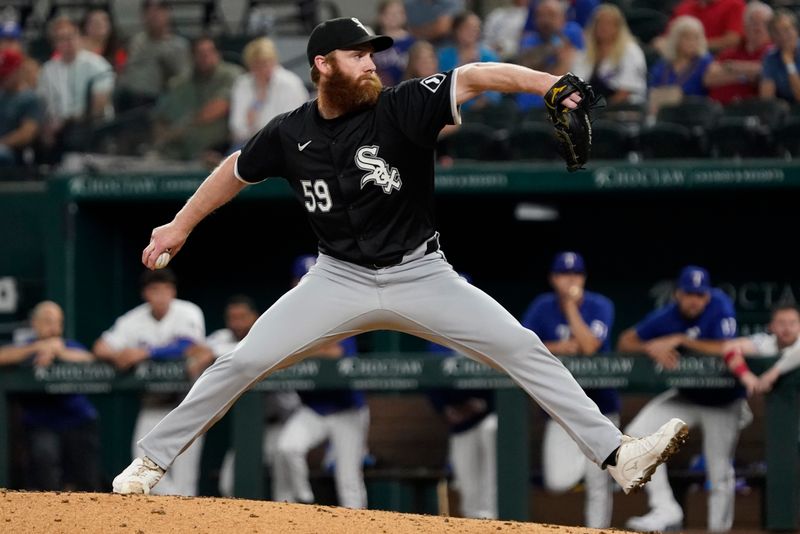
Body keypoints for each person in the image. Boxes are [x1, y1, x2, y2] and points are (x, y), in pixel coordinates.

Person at [112, 16, 688, 498]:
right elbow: (234, 171)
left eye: (373, 55)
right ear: (322, 65)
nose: (371, 64)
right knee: (238, 362)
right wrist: (178, 224)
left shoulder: (401, 105)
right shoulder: (289, 132)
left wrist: (548, 84)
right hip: (335, 278)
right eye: (357, 55)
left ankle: (618, 455)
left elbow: (477, 75)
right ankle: (150, 464)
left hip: (421, 272)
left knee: (521, 347)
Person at [618, 266, 740, 532]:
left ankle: (718, 529)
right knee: (636, 435)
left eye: (700, 294)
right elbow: (625, 341)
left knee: (719, 472)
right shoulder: (668, 315)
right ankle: (665, 508)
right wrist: (650, 348)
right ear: (677, 294)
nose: (695, 300)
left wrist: (679, 339)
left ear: (707, 295)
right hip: (687, 397)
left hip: (723, 401)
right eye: (689, 294)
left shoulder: (719, 304)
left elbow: (726, 347)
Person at [521, 252, 618, 528]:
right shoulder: (542, 306)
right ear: (553, 278)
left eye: (576, 274)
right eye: (564, 274)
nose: (570, 280)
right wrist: (560, 347)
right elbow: (521, 344)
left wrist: (572, 307)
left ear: (584, 278)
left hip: (601, 405)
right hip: (562, 410)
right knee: (556, 481)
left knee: (598, 482)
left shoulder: (600, 305)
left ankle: (597, 530)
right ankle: (588, 458)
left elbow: (589, 346)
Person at [94, 269, 206, 496]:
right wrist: (118, 356)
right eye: (155, 290)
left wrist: (145, 352)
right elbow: (101, 346)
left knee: (185, 476)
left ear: (173, 291)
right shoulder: (133, 320)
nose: (161, 295)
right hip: (152, 404)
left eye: (166, 289)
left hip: (186, 403)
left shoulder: (188, 311)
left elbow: (188, 345)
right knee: (141, 463)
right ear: (146, 293)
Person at [272, 254, 369, 509]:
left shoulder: (341, 311)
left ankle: (359, 525)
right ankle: (304, 504)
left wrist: (299, 350)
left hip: (347, 408)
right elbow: (278, 351)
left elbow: (338, 352)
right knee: (287, 448)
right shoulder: (288, 316)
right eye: (300, 281)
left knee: (348, 477)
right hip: (313, 408)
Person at [200, 295, 301, 497]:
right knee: (229, 485)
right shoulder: (223, 337)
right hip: (251, 426)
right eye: (232, 318)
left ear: (254, 317)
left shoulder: (268, 332)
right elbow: (198, 350)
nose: (236, 323)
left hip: (284, 422)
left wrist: (216, 353)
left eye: (242, 317)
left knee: (284, 490)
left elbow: (252, 354)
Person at [0, 301, 101, 491]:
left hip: (78, 420)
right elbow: (3, 355)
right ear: (35, 324)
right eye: (48, 321)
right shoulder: (26, 347)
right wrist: (37, 348)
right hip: (42, 423)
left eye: (58, 322)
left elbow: (90, 359)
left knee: (87, 478)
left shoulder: (68, 346)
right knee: (43, 464)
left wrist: (59, 352)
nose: (54, 327)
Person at [427, 273, 497, 519]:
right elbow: (431, 381)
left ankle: (492, 515)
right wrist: (446, 409)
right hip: (459, 421)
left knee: (493, 429)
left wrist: (483, 404)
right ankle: (472, 521)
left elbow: (502, 379)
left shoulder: (486, 331)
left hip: (487, 414)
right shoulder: (436, 334)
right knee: (467, 486)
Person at [152, 36, 243, 162]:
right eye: (200, 53)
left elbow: (219, 106)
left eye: (209, 52)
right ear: (192, 56)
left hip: (219, 150)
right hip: (178, 152)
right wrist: (164, 137)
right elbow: (160, 117)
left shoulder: (232, 75)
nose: (205, 57)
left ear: (218, 54)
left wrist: (186, 125)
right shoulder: (180, 83)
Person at [37, 16, 114, 159]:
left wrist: (65, 121)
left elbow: (98, 108)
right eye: (62, 38)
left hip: (89, 125)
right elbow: (43, 105)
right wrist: (46, 128)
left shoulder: (98, 65)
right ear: (55, 44)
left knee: (73, 136)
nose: (69, 42)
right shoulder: (48, 70)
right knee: (39, 140)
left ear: (79, 37)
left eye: (72, 36)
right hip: (57, 126)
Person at [229, 37, 309, 151]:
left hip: (283, 147)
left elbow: (292, 128)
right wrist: (257, 102)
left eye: (265, 64)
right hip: (248, 144)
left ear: (274, 61)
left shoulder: (290, 84)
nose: (261, 70)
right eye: (256, 65)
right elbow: (237, 128)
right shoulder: (242, 83)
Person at [116, 0, 190, 111]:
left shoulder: (178, 45)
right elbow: (125, 67)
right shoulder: (137, 40)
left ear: (167, 14)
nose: (153, 15)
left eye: (158, 11)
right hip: (126, 96)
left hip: (155, 99)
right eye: (148, 11)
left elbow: (183, 79)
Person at [572, 4, 647, 105]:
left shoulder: (631, 51)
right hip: (592, 106)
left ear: (618, 27)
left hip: (624, 107)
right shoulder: (585, 51)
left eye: (609, 23)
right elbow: (576, 85)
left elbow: (625, 91)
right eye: (600, 23)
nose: (603, 27)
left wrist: (601, 109)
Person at [516, 0, 584, 110]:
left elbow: (563, 72)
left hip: (561, 106)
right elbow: (527, 65)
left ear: (563, 18)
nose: (545, 20)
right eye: (541, 15)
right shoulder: (529, 40)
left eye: (551, 15)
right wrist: (552, 49)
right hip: (528, 108)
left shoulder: (573, 32)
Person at [721, 303, 800, 396]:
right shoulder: (766, 342)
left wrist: (773, 374)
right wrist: (747, 377)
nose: (787, 328)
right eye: (781, 323)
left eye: (792, 323)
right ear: (771, 326)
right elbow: (729, 347)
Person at [704, 1, 773, 105]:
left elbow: (766, 70)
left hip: (750, 111)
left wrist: (731, 67)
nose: (758, 27)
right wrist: (745, 77)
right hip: (718, 110)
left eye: (763, 23)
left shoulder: (772, 51)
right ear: (744, 26)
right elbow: (708, 79)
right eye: (753, 22)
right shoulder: (730, 52)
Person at [648, 16, 713, 116]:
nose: (692, 42)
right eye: (687, 38)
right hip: (661, 112)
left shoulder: (705, 62)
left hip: (692, 114)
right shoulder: (663, 64)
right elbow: (652, 88)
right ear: (675, 40)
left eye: (696, 38)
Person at [437, 11, 501, 110]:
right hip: (451, 108)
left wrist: (482, 101)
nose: (472, 32)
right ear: (456, 30)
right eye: (467, 28)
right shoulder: (444, 56)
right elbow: (440, 87)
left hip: (485, 111)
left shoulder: (489, 56)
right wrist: (460, 66)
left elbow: (496, 90)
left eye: (476, 28)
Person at [0, 49, 41, 167]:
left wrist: (2, 143)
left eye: (6, 75)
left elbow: (26, 134)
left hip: (15, 154)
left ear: (18, 71)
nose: (2, 79)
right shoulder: (1, 95)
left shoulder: (30, 98)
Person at [665, 0, 745, 54]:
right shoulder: (684, 6)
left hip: (713, 57)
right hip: (679, 56)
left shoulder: (734, 4)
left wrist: (693, 46)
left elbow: (733, 40)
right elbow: (667, 36)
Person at [760, 9, 800, 105]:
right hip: (787, 109)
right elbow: (767, 100)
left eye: (787, 30)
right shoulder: (771, 57)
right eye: (777, 32)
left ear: (796, 30)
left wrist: (789, 63)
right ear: (772, 37)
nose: (783, 36)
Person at [373, 0, 416, 86]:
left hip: (407, 88)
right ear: (380, 16)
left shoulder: (413, 43)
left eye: (398, 13)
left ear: (405, 16)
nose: (394, 17)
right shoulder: (373, 42)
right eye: (389, 13)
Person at [81, 8, 126, 73]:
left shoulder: (118, 49)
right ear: (85, 26)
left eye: (104, 20)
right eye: (94, 22)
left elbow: (122, 72)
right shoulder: (77, 48)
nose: (99, 24)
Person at [0, 20, 39, 88]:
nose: (8, 44)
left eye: (12, 40)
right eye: (5, 40)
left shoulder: (30, 66)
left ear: (20, 44)